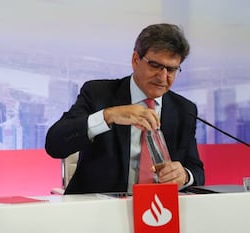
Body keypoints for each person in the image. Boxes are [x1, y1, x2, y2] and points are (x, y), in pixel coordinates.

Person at [45, 23, 205, 194]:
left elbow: (197, 171)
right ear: (135, 60)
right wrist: (108, 115)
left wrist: (185, 176)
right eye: (155, 66)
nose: (163, 77)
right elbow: (55, 144)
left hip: (158, 213)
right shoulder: (98, 94)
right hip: (98, 210)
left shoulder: (184, 109)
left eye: (171, 69)